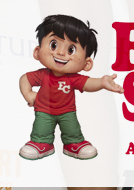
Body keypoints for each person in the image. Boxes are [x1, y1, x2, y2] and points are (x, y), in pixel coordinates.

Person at [18, 15, 118, 161]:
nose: (60, 53)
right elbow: (25, 79)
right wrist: (28, 94)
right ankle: (41, 143)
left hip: (67, 112)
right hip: (44, 111)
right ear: (37, 52)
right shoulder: (42, 75)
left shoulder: (73, 78)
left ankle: (74, 144)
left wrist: (102, 82)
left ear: (87, 64)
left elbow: (88, 84)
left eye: (71, 49)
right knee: (41, 130)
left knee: (72, 131)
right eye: (53, 45)